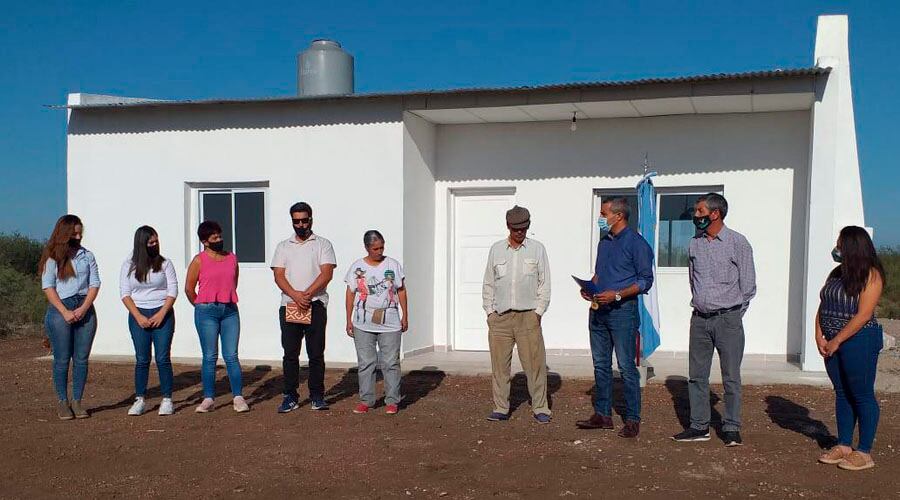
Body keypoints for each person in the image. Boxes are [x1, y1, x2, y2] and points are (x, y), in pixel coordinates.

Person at [671, 193, 756, 447]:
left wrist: (731, 315)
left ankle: (731, 427)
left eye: (699, 211)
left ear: (715, 213)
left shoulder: (737, 242)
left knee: (731, 377)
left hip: (727, 319)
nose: (695, 216)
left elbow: (749, 286)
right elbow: (692, 280)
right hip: (699, 320)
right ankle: (699, 426)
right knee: (697, 376)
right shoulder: (694, 244)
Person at [575, 197, 653, 438]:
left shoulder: (637, 244)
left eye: (603, 213)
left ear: (618, 216)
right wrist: (589, 288)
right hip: (599, 311)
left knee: (627, 367)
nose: (600, 218)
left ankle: (632, 419)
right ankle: (602, 414)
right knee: (600, 364)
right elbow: (600, 274)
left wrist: (618, 295)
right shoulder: (604, 243)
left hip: (622, 313)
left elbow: (645, 281)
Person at [815, 226, 885, 471]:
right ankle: (844, 444)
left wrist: (837, 340)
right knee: (842, 392)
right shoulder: (836, 273)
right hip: (832, 341)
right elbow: (823, 304)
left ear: (853, 247)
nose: (836, 249)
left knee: (862, 394)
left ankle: (864, 451)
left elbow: (863, 315)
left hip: (859, 340)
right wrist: (819, 336)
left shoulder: (871, 276)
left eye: (840, 244)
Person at [482, 205, 552, 424]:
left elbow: (545, 283)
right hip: (500, 319)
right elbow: (488, 283)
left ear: (529, 226)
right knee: (500, 367)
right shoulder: (496, 249)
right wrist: (490, 312)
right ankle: (501, 407)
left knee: (535, 365)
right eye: (515, 228)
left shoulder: (537, 249)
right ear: (508, 227)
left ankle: (541, 407)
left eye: (523, 228)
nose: (519, 232)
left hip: (528, 318)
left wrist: (538, 312)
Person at [271, 202, 336, 412]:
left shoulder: (323, 244)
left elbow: (326, 273)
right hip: (289, 305)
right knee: (290, 354)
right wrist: (295, 295)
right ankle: (290, 396)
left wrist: (306, 295)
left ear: (311, 219)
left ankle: (317, 395)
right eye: (296, 221)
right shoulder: (283, 246)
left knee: (316, 353)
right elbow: (278, 275)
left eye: (304, 220)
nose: (300, 224)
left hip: (315, 304)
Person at [39, 214, 101, 420]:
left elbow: (95, 284)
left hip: (84, 307)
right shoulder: (52, 258)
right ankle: (62, 402)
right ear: (64, 234)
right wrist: (64, 312)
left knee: (81, 359)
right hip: (61, 308)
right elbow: (48, 287)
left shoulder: (87, 256)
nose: (78, 236)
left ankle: (77, 401)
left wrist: (84, 308)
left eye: (80, 233)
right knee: (62, 359)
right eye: (74, 233)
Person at [184, 221, 249, 413]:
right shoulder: (199, 260)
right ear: (205, 241)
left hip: (229, 310)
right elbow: (189, 288)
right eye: (214, 238)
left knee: (231, 355)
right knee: (210, 356)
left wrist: (223, 297)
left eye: (220, 236)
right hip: (207, 312)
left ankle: (238, 397)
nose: (219, 240)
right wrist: (201, 305)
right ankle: (209, 398)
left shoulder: (231, 258)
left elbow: (233, 282)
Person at [343, 230, 408, 415]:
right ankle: (366, 400)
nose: (379, 251)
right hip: (363, 322)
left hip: (390, 321)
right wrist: (348, 319)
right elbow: (350, 293)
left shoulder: (393, 265)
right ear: (367, 248)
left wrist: (405, 315)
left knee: (390, 362)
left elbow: (401, 290)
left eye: (382, 247)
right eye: (375, 248)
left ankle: (392, 400)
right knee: (366, 362)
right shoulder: (357, 267)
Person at [119, 226, 178, 416]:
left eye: (156, 241)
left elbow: (172, 290)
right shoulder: (129, 265)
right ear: (142, 244)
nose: (155, 245)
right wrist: (138, 316)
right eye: (151, 242)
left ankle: (167, 399)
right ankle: (140, 399)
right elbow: (125, 293)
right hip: (139, 314)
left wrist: (162, 314)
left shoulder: (165, 263)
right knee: (142, 359)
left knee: (162, 358)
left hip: (163, 313)